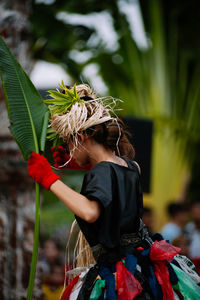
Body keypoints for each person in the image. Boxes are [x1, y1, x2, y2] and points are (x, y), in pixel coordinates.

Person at [28, 83, 200, 299]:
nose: (68, 151)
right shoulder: (131, 166)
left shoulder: (101, 172)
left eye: (68, 144)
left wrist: (49, 179)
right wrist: (84, 164)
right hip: (143, 265)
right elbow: (112, 184)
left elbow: (91, 212)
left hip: (118, 272)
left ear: (81, 138)